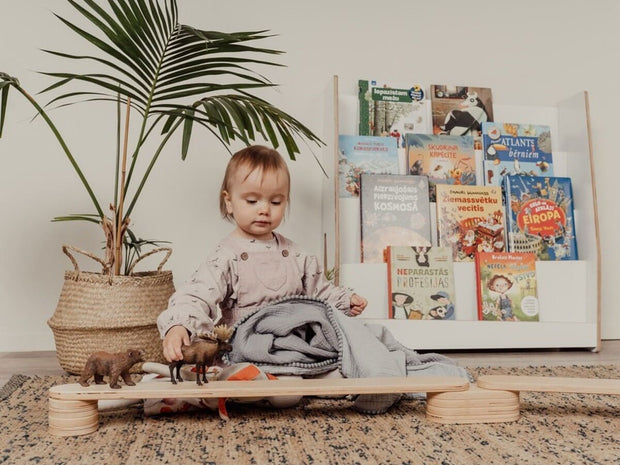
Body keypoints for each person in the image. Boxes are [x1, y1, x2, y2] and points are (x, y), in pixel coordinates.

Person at [157, 144, 368, 363]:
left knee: (341, 356)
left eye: (275, 201)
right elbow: (197, 293)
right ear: (229, 202)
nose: (264, 209)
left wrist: (344, 300)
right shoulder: (226, 256)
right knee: (278, 394)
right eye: (252, 201)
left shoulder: (296, 255)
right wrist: (180, 324)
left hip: (293, 343)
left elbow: (319, 292)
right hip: (245, 346)